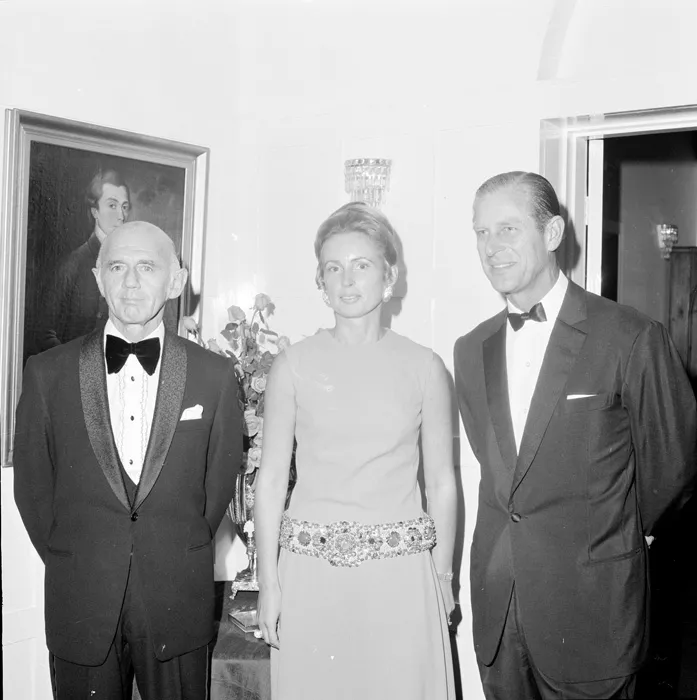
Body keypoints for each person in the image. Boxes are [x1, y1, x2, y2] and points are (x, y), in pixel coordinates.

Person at [454, 171, 697, 699]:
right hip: (501, 610)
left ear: (554, 233)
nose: (492, 248)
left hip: (593, 611)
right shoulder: (470, 350)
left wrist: (617, 533)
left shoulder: (630, 336)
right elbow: (503, 475)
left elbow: (672, 468)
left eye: (509, 229)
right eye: (481, 233)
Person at [13, 221, 243, 700]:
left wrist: (170, 549)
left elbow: (216, 490)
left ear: (176, 281)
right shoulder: (46, 374)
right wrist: (81, 557)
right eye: (117, 266)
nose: (131, 281)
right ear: (98, 279)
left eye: (147, 266)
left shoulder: (215, 377)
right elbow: (33, 492)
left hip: (177, 596)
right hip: (82, 598)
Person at [255, 202, 457, 700]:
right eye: (333, 267)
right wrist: (268, 581)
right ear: (320, 281)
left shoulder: (425, 367)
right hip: (311, 575)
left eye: (361, 265)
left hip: (401, 576)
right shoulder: (293, 366)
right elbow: (271, 480)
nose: (346, 280)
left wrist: (444, 574)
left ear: (389, 277)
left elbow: (442, 483)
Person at [42, 167, 131, 349]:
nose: (121, 216)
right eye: (112, 205)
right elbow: (45, 333)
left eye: (124, 207)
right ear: (95, 212)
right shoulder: (73, 265)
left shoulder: (130, 265)